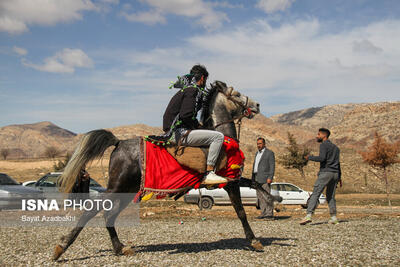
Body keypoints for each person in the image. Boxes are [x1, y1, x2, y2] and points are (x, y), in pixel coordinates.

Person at [163, 64, 227, 185]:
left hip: (173, 131)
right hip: (178, 133)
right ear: (202, 78)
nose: (205, 83)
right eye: (205, 80)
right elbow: (185, 115)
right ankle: (209, 173)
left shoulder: (186, 90)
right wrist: (197, 126)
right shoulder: (193, 90)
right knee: (218, 137)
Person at [300, 128, 341, 225]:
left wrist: (309, 157)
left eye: (318, 134)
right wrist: (340, 177)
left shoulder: (324, 145)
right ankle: (333, 217)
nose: (317, 136)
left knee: (316, 193)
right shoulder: (336, 148)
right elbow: (338, 163)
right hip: (335, 173)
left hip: (326, 172)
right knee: (330, 196)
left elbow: (322, 158)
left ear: (324, 136)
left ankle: (308, 215)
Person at [252, 137, 275, 220]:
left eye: (260, 143)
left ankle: (269, 214)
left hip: (265, 178)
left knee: (267, 197)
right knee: (260, 197)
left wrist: (270, 177)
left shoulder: (269, 153)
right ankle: (263, 212)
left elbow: (272, 166)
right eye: (257, 144)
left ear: (264, 144)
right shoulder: (256, 153)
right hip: (257, 178)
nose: (258, 145)